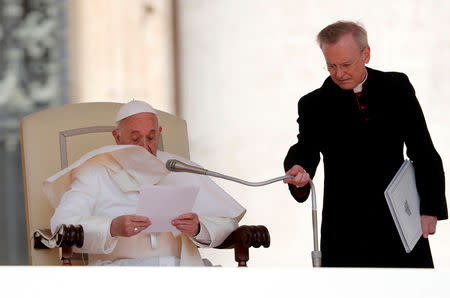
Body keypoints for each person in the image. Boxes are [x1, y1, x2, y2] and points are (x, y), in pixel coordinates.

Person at [283, 21, 447, 267]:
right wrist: (298, 168)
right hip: (344, 229)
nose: (339, 73)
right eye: (331, 66)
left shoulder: (397, 88)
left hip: (400, 223)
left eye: (346, 64)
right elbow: (304, 148)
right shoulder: (314, 104)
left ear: (366, 54)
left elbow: (422, 149)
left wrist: (429, 208)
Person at [44, 100, 245, 266]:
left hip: (184, 271)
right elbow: (62, 224)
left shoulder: (179, 167)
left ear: (159, 133)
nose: (144, 146)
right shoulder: (94, 171)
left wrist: (199, 228)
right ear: (117, 137)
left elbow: (227, 222)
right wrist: (111, 227)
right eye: (135, 138)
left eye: (151, 137)